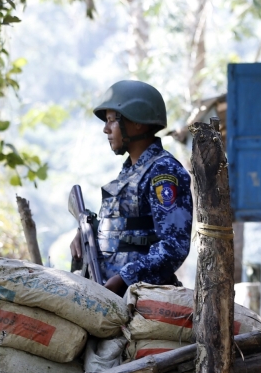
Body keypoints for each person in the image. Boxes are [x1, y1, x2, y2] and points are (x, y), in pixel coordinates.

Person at [72, 80, 193, 295]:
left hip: (141, 297)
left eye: (112, 120)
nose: (106, 129)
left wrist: (126, 278)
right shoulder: (131, 171)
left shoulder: (163, 171)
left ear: (137, 122)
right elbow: (124, 229)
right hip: (112, 293)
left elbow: (174, 246)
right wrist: (87, 233)